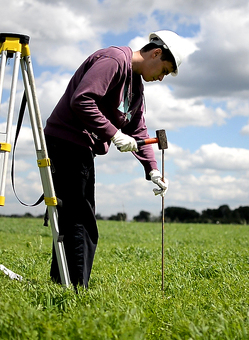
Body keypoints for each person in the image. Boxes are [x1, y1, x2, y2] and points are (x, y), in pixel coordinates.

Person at [44, 30, 185, 289]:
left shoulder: (136, 86)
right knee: (80, 218)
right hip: (66, 140)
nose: (162, 78)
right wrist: (114, 134)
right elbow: (82, 100)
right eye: (164, 70)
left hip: (80, 146)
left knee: (73, 214)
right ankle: (75, 289)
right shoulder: (113, 61)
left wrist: (152, 170)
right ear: (156, 53)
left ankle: (61, 282)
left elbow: (139, 129)